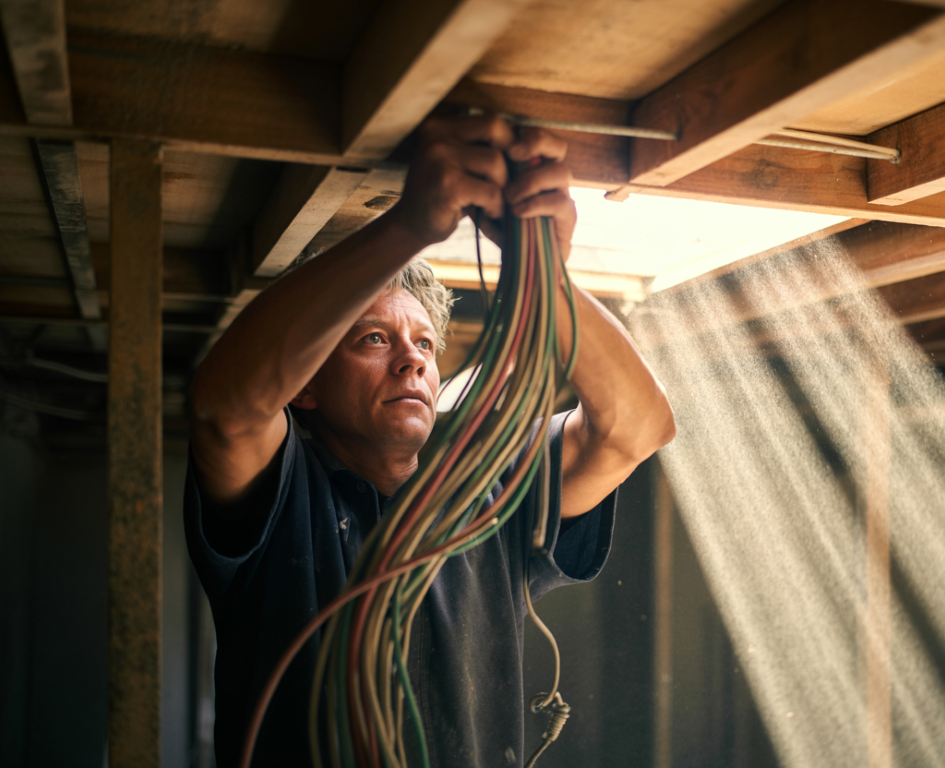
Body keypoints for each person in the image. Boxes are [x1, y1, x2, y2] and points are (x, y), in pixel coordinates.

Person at [184, 114, 676, 767]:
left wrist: (544, 272)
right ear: (304, 386)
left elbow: (637, 427)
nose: (413, 362)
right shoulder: (281, 496)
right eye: (373, 339)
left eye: (423, 344)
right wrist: (412, 224)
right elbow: (226, 411)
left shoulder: (488, 494)